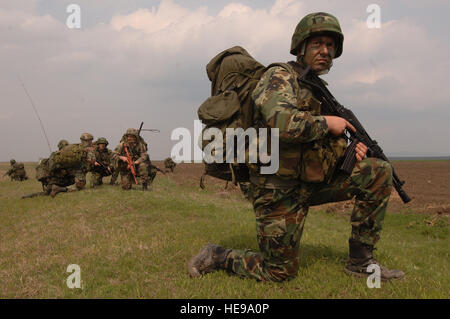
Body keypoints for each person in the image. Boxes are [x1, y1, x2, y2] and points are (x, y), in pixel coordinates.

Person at [188, 12, 405, 282]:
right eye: (317, 44)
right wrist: (328, 123)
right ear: (301, 47)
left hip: (308, 182)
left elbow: (313, 145)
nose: (325, 51)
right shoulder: (279, 76)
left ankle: (361, 262)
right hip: (277, 190)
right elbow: (282, 122)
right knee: (279, 272)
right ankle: (217, 255)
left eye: (330, 45)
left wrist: (346, 152)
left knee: (377, 171)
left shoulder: (314, 87)